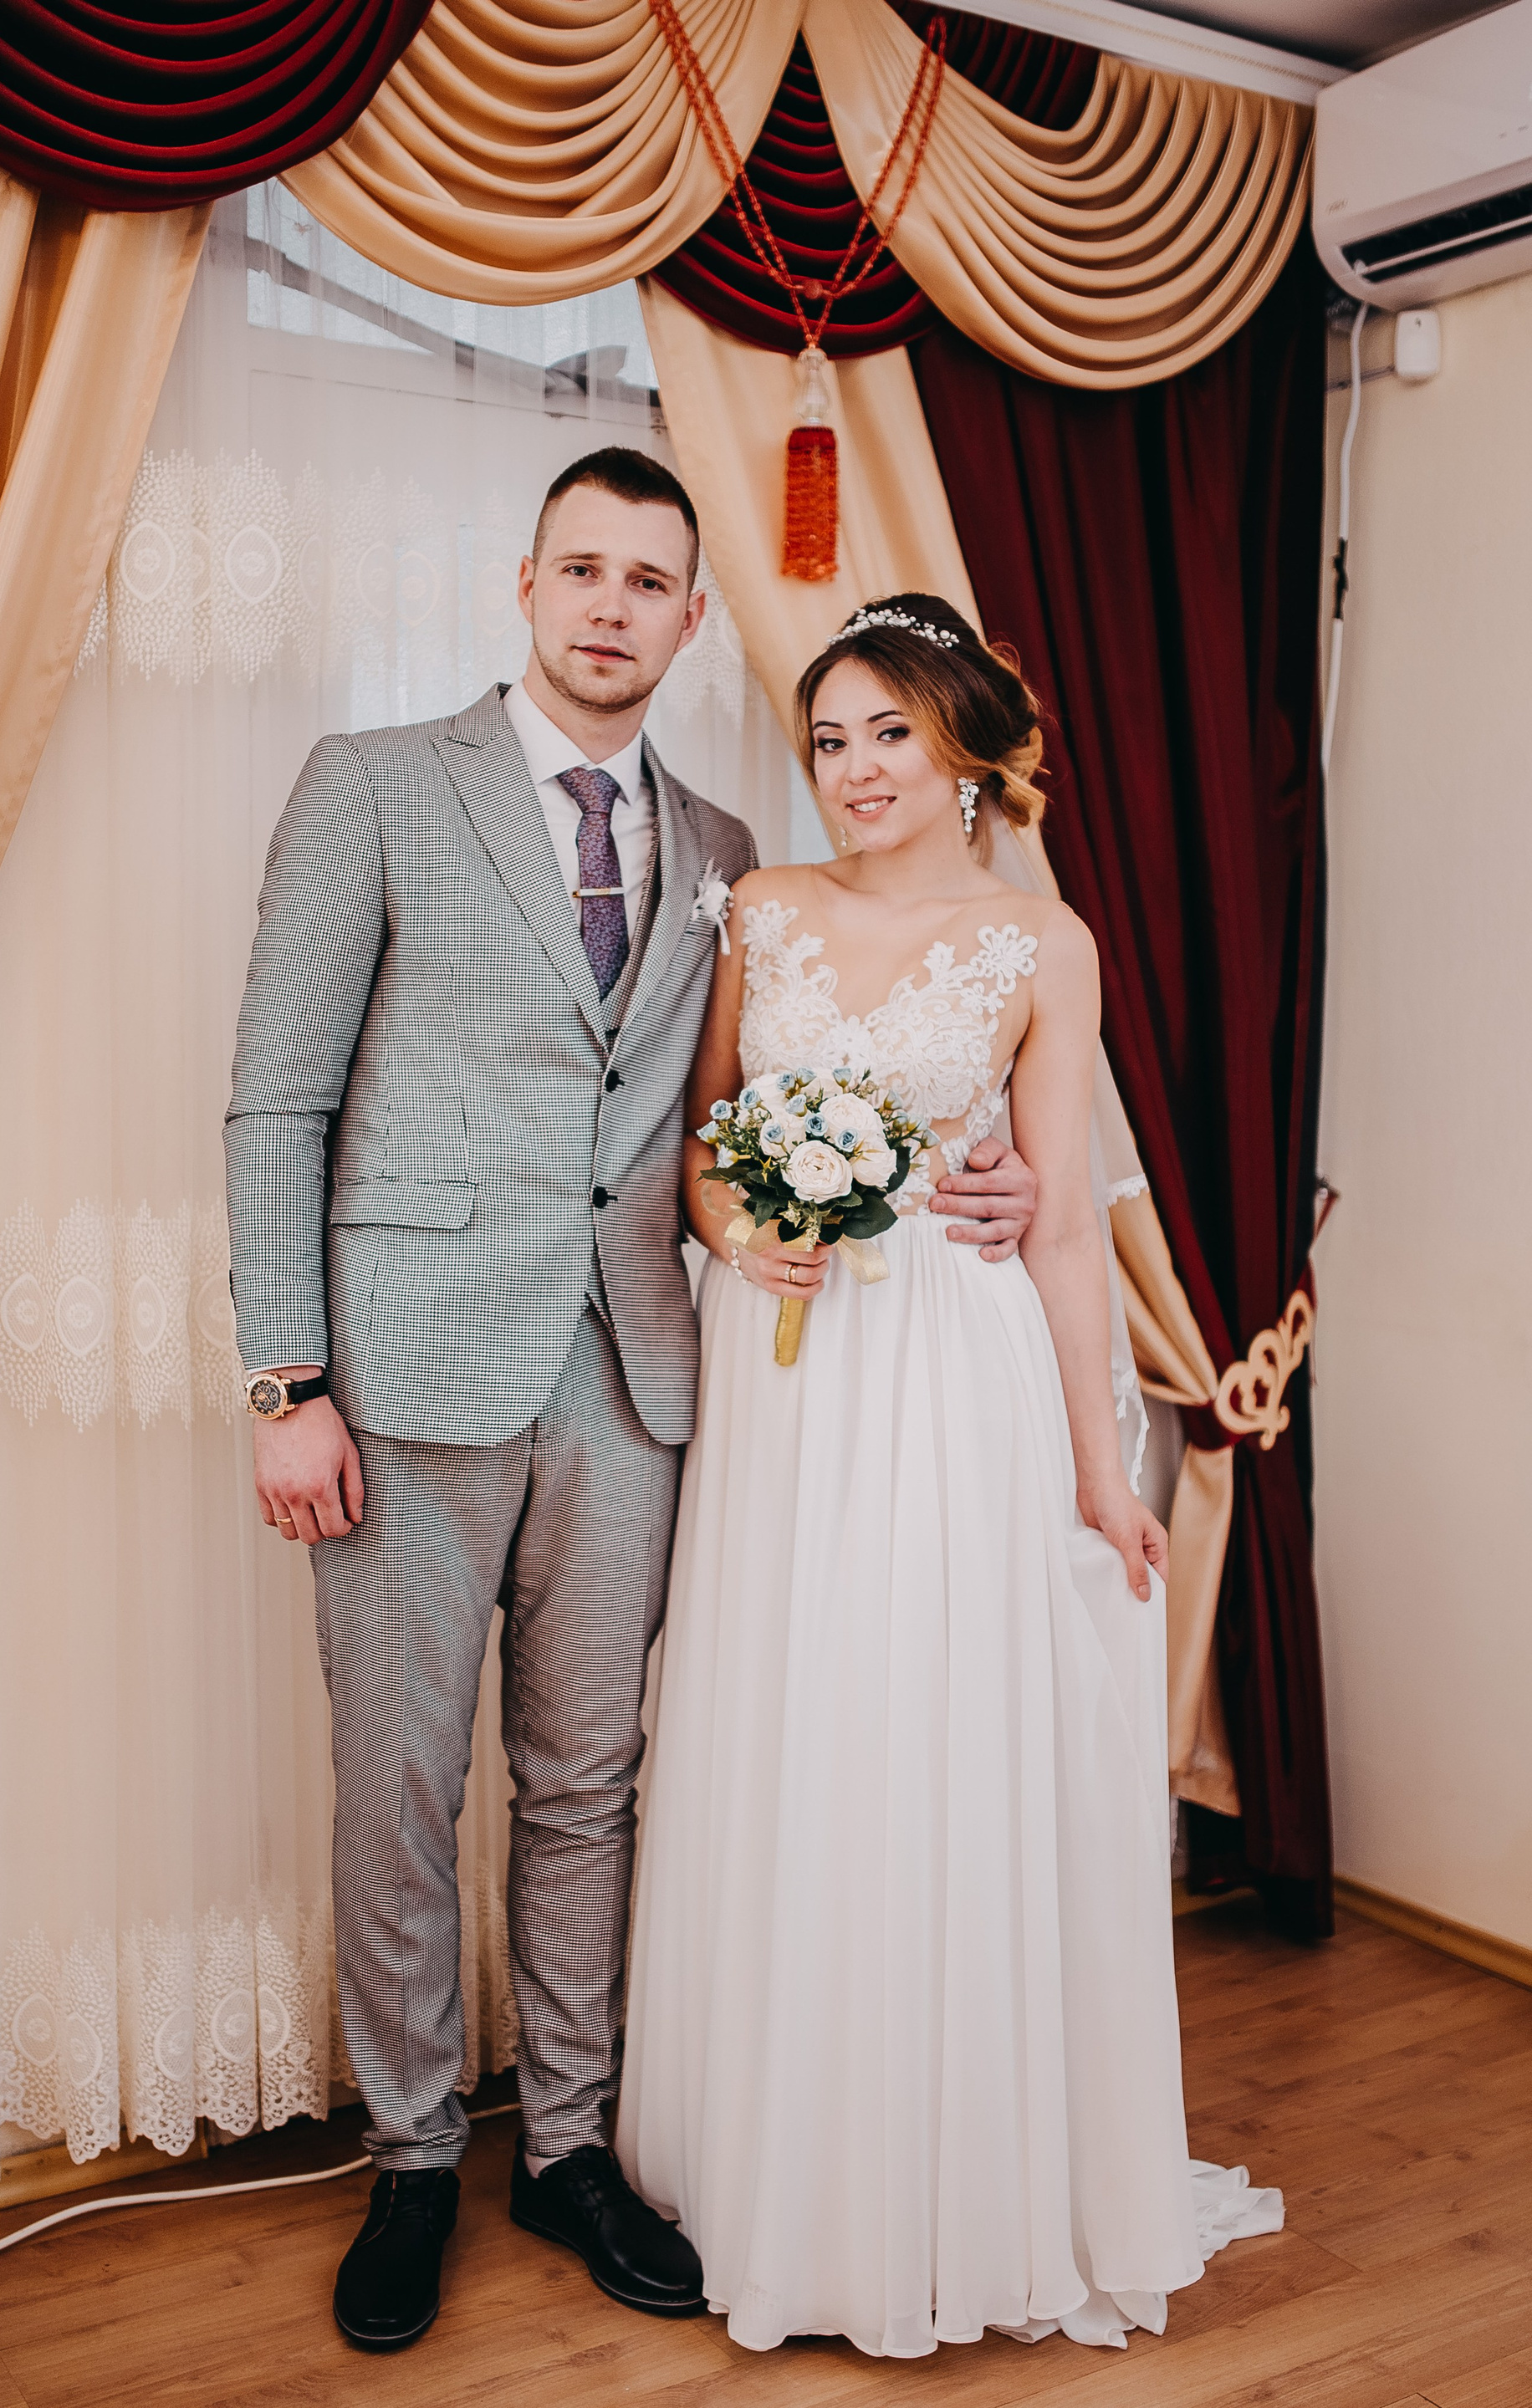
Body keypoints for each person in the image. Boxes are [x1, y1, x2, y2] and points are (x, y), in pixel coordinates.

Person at [225, 466, 1039, 2351]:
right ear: (525, 584)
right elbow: (277, 1098)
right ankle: (413, 2160)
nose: (612, 603)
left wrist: (976, 1170)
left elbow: (737, 1122)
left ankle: (568, 2147)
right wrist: (286, 1381)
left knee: (591, 1784)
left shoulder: (732, 850)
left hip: (635, 1376)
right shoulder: (374, 783)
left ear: (692, 618)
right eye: (582, 568)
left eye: (650, 580)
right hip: (407, 1377)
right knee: (400, 1783)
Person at [615, 593, 1284, 2359]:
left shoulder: (1041, 946)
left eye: (890, 734)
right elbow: (698, 1141)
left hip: (949, 1371)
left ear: (968, 748)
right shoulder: (762, 909)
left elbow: (1056, 1226)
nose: (854, 770)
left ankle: (941, 2187)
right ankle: (779, 2163)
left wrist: (1099, 1471)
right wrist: (739, 1227)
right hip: (788, 1368)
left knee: (921, 1726)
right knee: (790, 1725)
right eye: (830, 739)